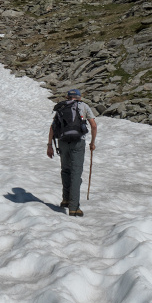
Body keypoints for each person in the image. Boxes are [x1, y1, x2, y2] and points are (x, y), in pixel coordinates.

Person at [47, 88, 97, 217]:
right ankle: (74, 208)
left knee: (65, 170)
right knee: (76, 173)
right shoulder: (83, 106)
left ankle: (65, 200)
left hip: (63, 142)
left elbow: (53, 127)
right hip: (78, 143)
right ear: (79, 97)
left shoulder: (62, 107)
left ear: (67, 97)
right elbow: (93, 125)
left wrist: (49, 145)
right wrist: (92, 143)